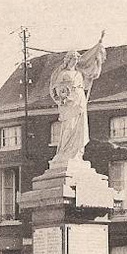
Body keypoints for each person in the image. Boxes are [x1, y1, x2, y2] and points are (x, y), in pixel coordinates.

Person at [49, 31, 107, 165]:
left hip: (80, 101)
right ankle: (65, 153)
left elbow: (85, 84)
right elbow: (57, 88)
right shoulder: (63, 73)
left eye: (76, 59)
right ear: (68, 60)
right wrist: (63, 98)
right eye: (72, 59)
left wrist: (95, 64)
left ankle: (76, 154)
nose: (74, 61)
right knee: (69, 127)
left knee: (80, 128)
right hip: (69, 103)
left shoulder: (78, 74)